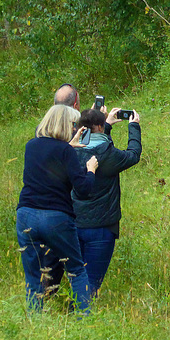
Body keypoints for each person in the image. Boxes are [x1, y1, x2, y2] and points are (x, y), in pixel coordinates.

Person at [16, 104, 99, 312]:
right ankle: (83, 318)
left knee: (34, 274)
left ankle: (34, 320)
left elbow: (48, 160)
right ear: (64, 124)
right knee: (76, 270)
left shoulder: (31, 146)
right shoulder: (65, 151)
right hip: (56, 217)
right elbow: (83, 189)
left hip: (26, 213)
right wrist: (91, 171)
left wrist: (69, 148)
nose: (74, 128)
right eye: (73, 124)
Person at [72, 108, 142, 296]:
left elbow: (95, 143)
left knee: (77, 277)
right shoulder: (108, 154)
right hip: (102, 226)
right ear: (100, 127)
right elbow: (133, 155)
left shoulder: (70, 150)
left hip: (73, 223)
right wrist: (133, 127)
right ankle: (82, 319)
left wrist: (107, 126)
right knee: (91, 280)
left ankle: (71, 317)